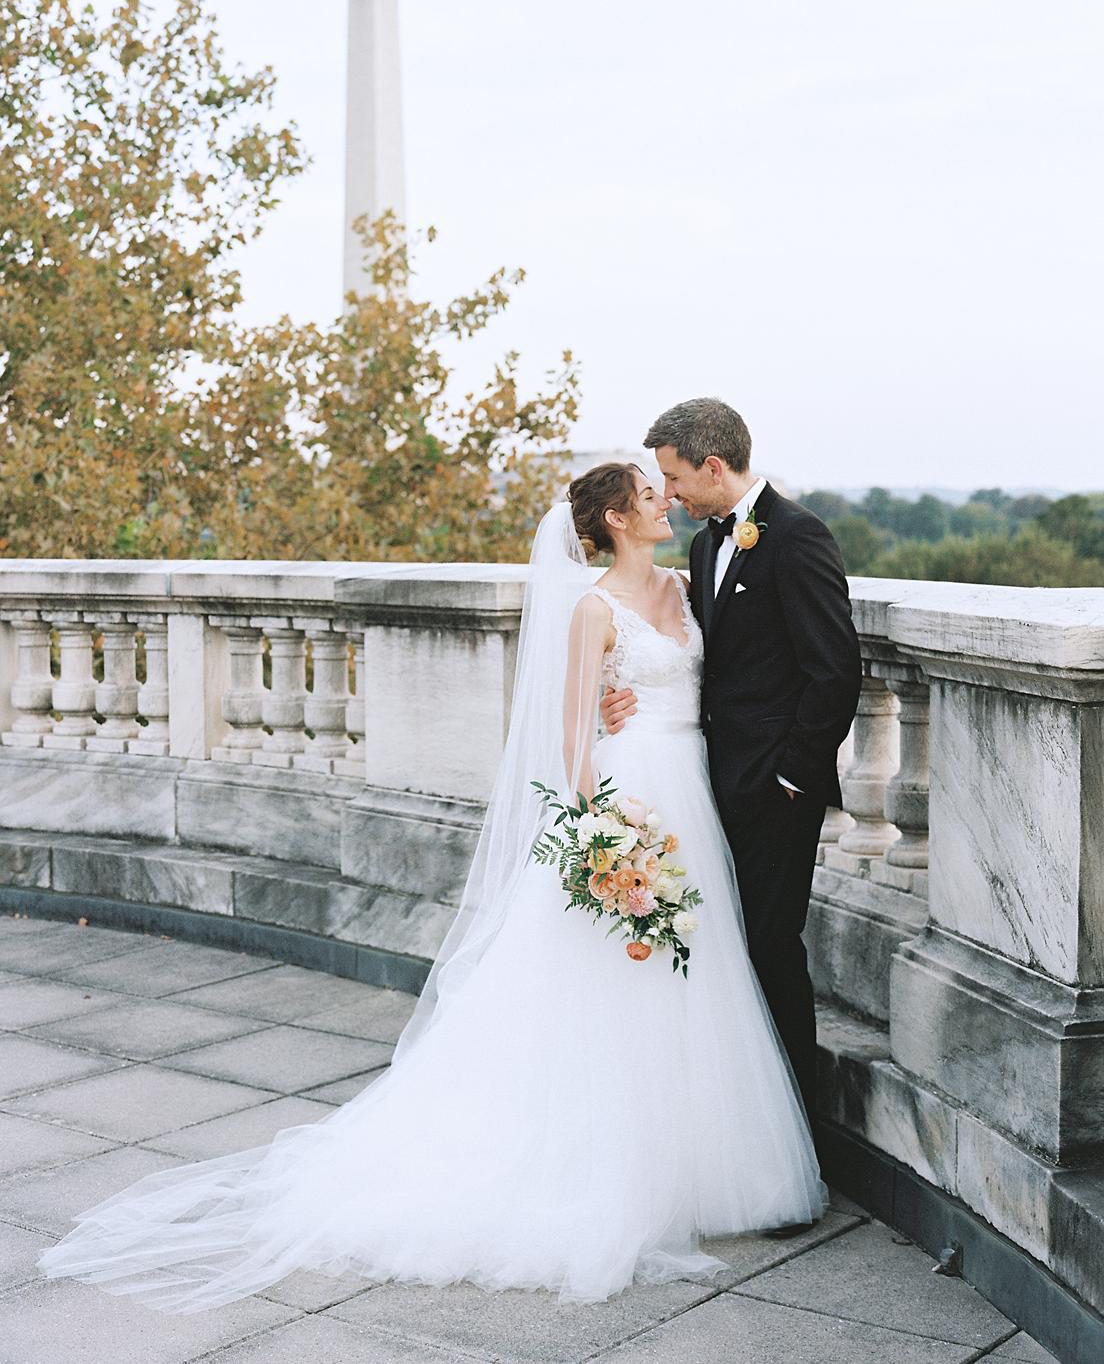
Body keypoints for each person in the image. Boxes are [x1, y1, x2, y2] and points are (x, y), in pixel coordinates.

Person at [37, 462, 824, 1314]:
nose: (665, 500)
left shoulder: (687, 580)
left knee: (699, 977)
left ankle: (698, 1161)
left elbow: (732, 671)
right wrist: (607, 825)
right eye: (648, 494)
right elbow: (566, 742)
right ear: (612, 518)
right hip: (634, 799)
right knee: (616, 981)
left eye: (664, 487)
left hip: (697, 791)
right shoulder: (592, 608)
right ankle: (606, 1166)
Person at [602, 400, 862, 1133]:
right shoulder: (707, 547)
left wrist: (793, 775)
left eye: (675, 477)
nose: (670, 495)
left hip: (776, 791)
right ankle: (738, 1126)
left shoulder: (799, 537)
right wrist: (619, 702)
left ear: (713, 466)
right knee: (723, 954)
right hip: (706, 781)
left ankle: (797, 1138)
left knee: (771, 950)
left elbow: (834, 668)